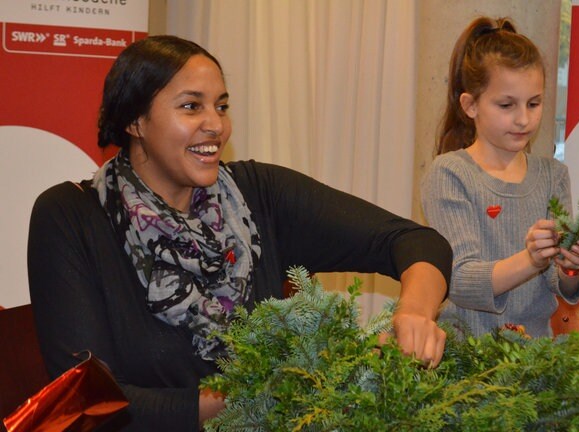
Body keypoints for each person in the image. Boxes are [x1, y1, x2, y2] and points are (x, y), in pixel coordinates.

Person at [27, 35, 452, 431]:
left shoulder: (257, 195)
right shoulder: (70, 216)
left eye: (222, 106)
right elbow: (88, 402)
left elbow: (415, 242)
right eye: (192, 107)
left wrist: (413, 312)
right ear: (135, 120)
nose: (216, 125)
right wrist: (260, 393)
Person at [420, 17, 579, 339]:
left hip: (535, 361)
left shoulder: (553, 176)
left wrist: (572, 265)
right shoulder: (449, 174)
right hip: (467, 361)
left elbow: (564, 287)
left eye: (534, 103)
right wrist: (531, 260)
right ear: (470, 105)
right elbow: (460, 281)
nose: (523, 119)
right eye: (506, 105)